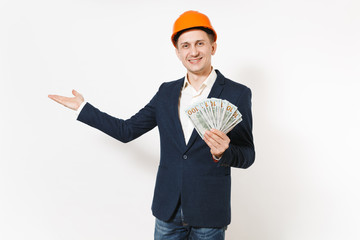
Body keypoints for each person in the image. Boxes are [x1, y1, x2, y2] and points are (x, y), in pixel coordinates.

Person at [48, 10, 255, 240]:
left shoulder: (238, 94)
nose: (193, 51)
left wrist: (223, 153)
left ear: (213, 47)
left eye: (200, 44)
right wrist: (83, 108)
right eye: (185, 46)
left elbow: (247, 155)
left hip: (209, 211)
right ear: (177, 52)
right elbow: (126, 131)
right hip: (168, 212)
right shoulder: (166, 92)